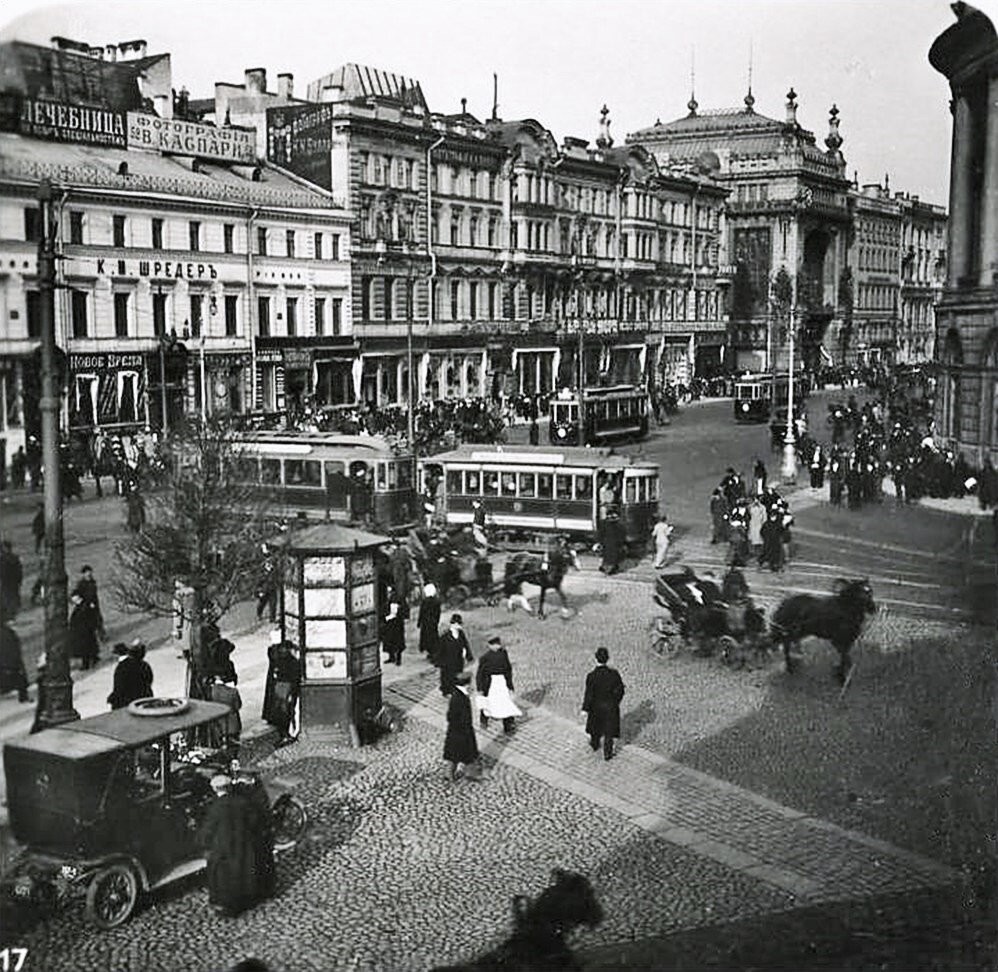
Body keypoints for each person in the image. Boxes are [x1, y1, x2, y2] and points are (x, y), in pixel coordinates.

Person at [197, 775, 270, 916]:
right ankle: (245, 901)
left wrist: (201, 842)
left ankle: (228, 907)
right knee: (243, 872)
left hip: (223, 847)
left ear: (215, 789)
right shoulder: (242, 802)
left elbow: (208, 830)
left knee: (224, 877)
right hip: (243, 844)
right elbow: (254, 821)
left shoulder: (215, 807)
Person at [582, 647, 625, 761]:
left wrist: (585, 709)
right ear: (607, 659)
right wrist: (615, 701)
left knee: (595, 727)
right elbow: (620, 690)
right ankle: (608, 753)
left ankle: (595, 745)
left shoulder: (591, 676)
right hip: (610, 707)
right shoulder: (614, 674)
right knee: (609, 732)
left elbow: (589, 694)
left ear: (596, 659)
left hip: (596, 707)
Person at [262, 631, 301, 747]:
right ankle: (287, 734)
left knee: (280, 710)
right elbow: (295, 678)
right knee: (288, 711)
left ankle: (283, 734)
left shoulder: (277, 658)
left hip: (279, 687)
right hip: (287, 688)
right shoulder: (293, 662)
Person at [476, 635, 520, 734]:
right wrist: (480, 689)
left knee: (506, 702)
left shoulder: (504, 654)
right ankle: (484, 720)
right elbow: (480, 674)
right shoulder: (485, 658)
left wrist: (510, 686)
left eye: (498, 644)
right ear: (490, 646)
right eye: (495, 645)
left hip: (502, 682)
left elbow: (508, 670)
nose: (497, 647)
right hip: (490, 683)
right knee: (487, 702)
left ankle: (508, 724)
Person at [443, 671, 480, 780]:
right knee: (467, 752)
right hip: (461, 730)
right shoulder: (458, 697)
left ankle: (449, 773)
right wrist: (463, 727)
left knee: (456, 753)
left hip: (456, 730)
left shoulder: (458, 693)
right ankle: (470, 773)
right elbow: (452, 715)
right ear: (467, 683)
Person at [107, 639, 154, 709]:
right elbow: (149, 680)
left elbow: (119, 689)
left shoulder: (120, 668)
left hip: (129, 703)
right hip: (146, 698)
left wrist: (112, 699)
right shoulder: (144, 664)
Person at [437, 613, 472, 697]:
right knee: (447, 676)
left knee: (458, 674)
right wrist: (440, 661)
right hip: (448, 660)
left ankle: (456, 690)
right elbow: (440, 650)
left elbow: (465, 644)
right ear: (453, 624)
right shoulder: (445, 636)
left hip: (458, 659)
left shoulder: (461, 634)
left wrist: (468, 655)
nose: (459, 626)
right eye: (457, 624)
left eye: (459, 624)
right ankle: (446, 691)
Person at [209, 672, 243, 757]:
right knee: (234, 747)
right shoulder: (233, 691)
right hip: (233, 725)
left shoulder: (211, 691)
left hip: (218, 725)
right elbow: (238, 705)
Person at [68, 592, 101, 670]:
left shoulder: (86, 605)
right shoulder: (77, 607)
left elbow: (92, 616)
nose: (74, 600)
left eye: (75, 597)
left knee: (88, 646)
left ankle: (90, 661)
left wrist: (92, 626)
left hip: (87, 630)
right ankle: (87, 662)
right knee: (84, 648)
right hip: (80, 632)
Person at [0, 617, 29, 703]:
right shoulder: (8, 632)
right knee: (18, 676)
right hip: (12, 660)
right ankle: (23, 696)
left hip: (6, 661)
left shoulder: (7, 632)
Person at [417, 582, 441, 663]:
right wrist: (436, 621)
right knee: (433, 638)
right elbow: (438, 613)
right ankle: (433, 653)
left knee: (427, 638)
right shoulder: (437, 602)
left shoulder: (425, 602)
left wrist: (419, 622)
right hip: (433, 622)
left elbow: (422, 613)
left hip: (426, 622)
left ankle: (431, 653)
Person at [381, 588, 405, 666]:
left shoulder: (397, 600)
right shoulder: (388, 601)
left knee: (397, 642)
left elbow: (401, 612)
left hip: (396, 624)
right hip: (390, 624)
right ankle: (391, 657)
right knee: (389, 641)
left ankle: (398, 658)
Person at [0, 541, 23, 619]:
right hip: (9, 581)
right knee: (10, 596)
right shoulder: (13, 558)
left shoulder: (5, 559)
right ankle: (11, 612)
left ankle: (10, 613)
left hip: (8, 580)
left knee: (9, 596)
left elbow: (18, 570)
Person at [255, 545, 278, 623]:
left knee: (273, 602)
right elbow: (259, 576)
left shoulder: (274, 563)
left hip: (272, 585)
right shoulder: (262, 565)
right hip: (265, 586)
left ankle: (272, 618)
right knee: (263, 602)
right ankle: (259, 614)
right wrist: (259, 586)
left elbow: (276, 572)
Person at [599, 509, 625, 575]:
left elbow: (600, 533)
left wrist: (600, 541)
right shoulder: (619, 524)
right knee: (613, 556)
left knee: (607, 556)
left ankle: (606, 567)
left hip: (607, 542)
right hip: (614, 543)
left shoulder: (604, 523)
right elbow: (622, 534)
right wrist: (621, 542)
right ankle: (611, 568)